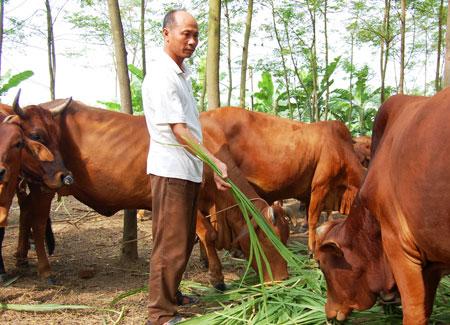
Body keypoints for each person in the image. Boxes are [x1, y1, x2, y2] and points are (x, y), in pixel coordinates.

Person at [142, 9, 230, 325]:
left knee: (182, 240)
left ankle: (172, 296)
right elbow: (180, 131)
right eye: (186, 34)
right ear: (166, 34)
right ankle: (160, 315)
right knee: (170, 244)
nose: (192, 41)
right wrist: (214, 161)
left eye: (196, 35)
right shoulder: (163, 76)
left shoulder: (180, 73)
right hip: (171, 171)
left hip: (186, 170)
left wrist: (205, 168)